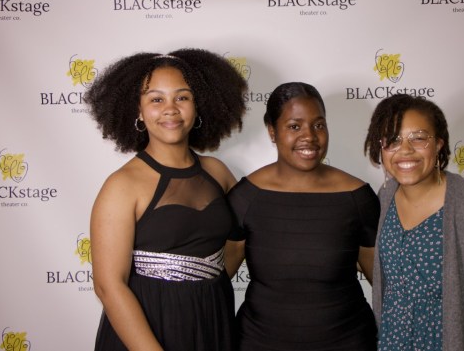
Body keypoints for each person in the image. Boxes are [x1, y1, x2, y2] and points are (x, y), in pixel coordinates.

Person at [84, 48, 247, 351]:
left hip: (212, 319)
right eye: (156, 99)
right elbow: (108, 286)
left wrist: (204, 282)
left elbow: (240, 240)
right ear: (138, 111)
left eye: (182, 97)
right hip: (148, 329)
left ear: (199, 106)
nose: (170, 109)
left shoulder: (218, 173)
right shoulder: (122, 186)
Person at [224, 82, 380, 351]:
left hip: (348, 342)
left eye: (319, 125)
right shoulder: (245, 198)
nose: (309, 136)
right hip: (259, 343)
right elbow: (216, 278)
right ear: (272, 132)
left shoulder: (358, 197)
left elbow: (383, 282)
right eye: (294, 126)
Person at [363, 94, 464, 351]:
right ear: (380, 147)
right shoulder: (384, 198)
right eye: (393, 140)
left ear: (438, 144)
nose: (405, 149)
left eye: (418, 138)